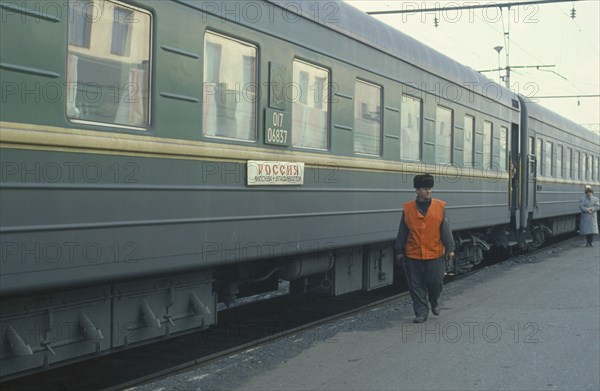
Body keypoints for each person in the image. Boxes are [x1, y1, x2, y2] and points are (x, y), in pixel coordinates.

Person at [395, 174, 455, 323]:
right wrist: (398, 250)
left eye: (430, 188)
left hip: (434, 253)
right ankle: (421, 313)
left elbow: (446, 229)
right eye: (424, 188)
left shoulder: (440, 206)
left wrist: (450, 248)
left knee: (436, 282)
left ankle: (434, 301)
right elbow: (403, 230)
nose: (428, 191)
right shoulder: (408, 208)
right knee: (416, 285)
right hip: (413, 253)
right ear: (417, 190)